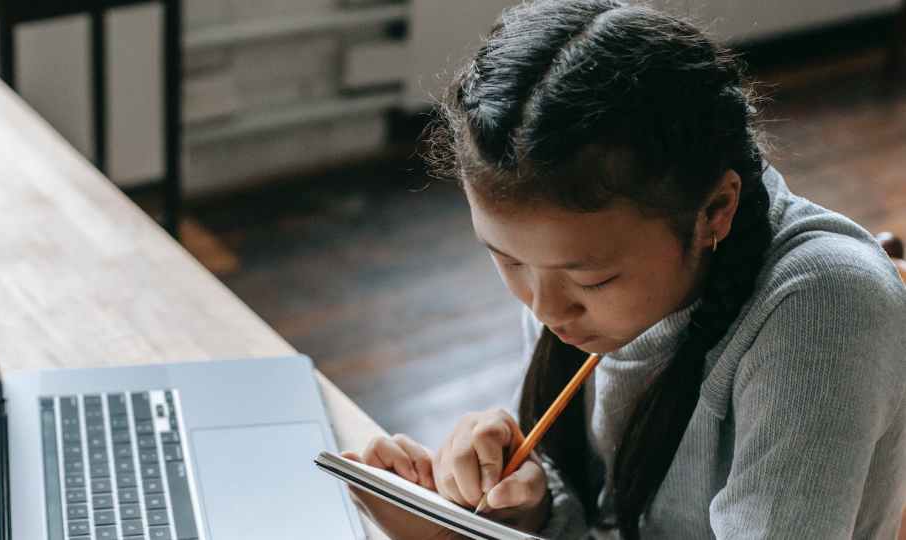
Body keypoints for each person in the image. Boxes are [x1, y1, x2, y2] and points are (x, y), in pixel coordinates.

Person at [340, 0, 906, 538]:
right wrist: (525, 507)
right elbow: (607, 508)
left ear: (717, 211)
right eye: (506, 260)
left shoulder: (822, 314)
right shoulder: (573, 271)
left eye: (592, 280)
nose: (544, 308)